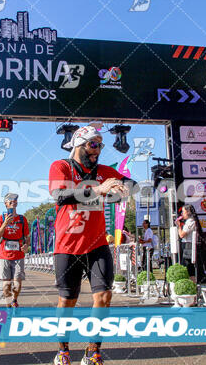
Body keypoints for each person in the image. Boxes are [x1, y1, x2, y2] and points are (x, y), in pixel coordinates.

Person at [48, 125, 136, 365]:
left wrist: (121, 190)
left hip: (97, 244)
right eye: (93, 144)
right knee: (68, 301)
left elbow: (132, 185)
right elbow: (59, 195)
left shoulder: (104, 170)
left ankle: (92, 351)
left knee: (105, 296)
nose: (98, 150)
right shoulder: (62, 166)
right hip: (67, 245)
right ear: (79, 144)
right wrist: (98, 189)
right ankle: (63, 350)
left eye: (101, 145)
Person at [0, 192, 29, 308]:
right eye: (10, 201)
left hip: (18, 255)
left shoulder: (22, 219)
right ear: (6, 204)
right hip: (4, 256)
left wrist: (26, 245)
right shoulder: (1, 218)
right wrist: (5, 224)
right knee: (6, 286)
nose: (13, 202)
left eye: (15, 201)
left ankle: (14, 300)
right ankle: (8, 304)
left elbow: (27, 238)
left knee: (18, 283)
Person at [176, 204, 202, 277]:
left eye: (183, 212)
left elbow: (182, 234)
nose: (182, 214)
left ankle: (192, 280)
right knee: (184, 264)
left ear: (188, 212)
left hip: (189, 245)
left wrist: (179, 226)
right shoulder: (187, 221)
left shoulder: (191, 221)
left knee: (188, 266)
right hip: (185, 244)